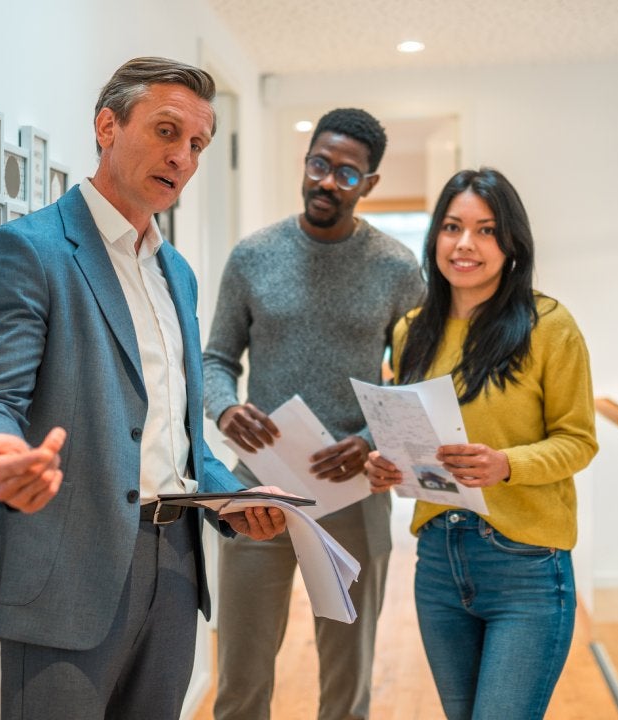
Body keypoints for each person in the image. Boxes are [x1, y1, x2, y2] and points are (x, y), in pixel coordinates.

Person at [0, 56, 288, 720]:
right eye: (166, 132)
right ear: (108, 125)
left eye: (196, 144)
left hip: (175, 570)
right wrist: (0, 464)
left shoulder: (179, 274)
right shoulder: (31, 250)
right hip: (67, 572)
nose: (183, 157)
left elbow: (182, 438)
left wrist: (230, 496)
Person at [203, 108, 424, 720]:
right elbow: (216, 358)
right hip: (259, 490)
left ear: (369, 184)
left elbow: (415, 384)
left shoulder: (399, 269)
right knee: (242, 680)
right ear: (307, 164)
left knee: (346, 686)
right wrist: (224, 409)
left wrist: (370, 437)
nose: (328, 182)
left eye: (346, 174)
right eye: (319, 165)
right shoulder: (253, 257)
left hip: (353, 491)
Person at [364, 167, 598, 719]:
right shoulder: (411, 331)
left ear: (511, 243)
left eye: (486, 230)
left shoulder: (548, 325)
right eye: (452, 226)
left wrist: (505, 465)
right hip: (438, 562)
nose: (465, 244)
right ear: (435, 237)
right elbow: (413, 436)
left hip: (525, 567)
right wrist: (387, 463)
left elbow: (578, 441)